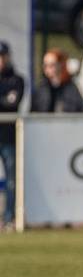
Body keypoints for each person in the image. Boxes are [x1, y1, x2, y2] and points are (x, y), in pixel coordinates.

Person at [0, 41, 25, 229]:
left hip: (8, 136)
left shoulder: (16, 80)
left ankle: (9, 218)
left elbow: (12, 103)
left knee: (11, 180)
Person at [32, 48, 83, 113]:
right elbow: (34, 111)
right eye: (45, 65)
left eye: (52, 65)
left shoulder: (70, 88)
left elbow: (79, 110)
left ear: (60, 65)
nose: (47, 69)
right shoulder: (41, 88)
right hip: (45, 122)